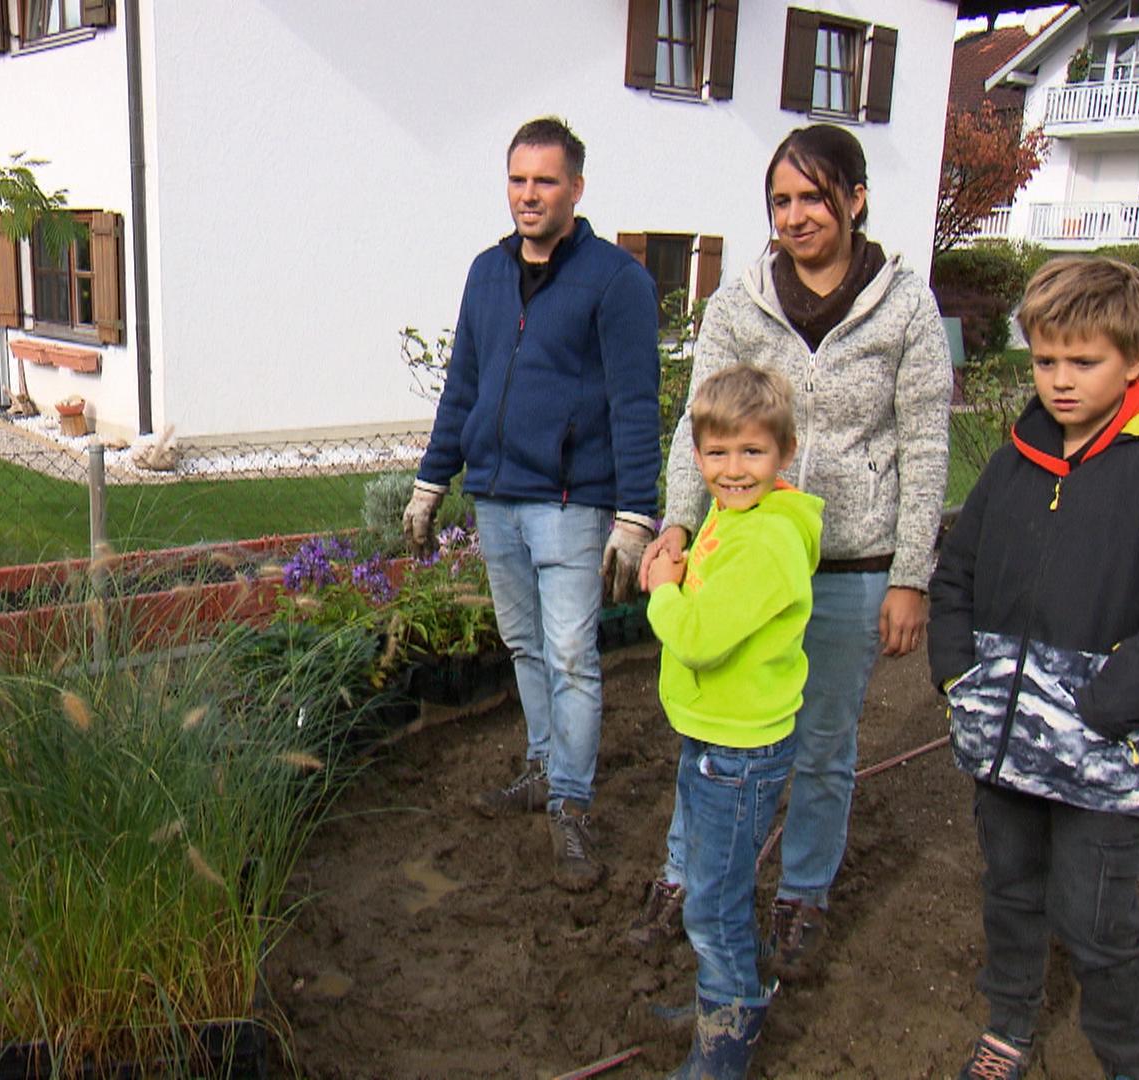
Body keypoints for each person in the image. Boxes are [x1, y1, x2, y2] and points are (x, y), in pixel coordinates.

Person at [628, 125, 952, 960]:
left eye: (814, 197)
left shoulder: (906, 307)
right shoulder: (739, 305)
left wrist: (911, 573)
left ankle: (802, 891)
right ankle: (682, 871)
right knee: (711, 727)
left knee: (824, 742)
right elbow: (692, 430)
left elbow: (924, 443)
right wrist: (677, 526)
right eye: (781, 200)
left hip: (851, 563)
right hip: (739, 554)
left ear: (855, 199)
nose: (797, 216)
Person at [928, 256, 1139, 1080]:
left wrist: (1105, 706)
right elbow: (956, 571)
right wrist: (960, 676)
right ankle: (1008, 1024)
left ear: (1135, 358)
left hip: (1101, 748)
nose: (1060, 382)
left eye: (1084, 361)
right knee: (1010, 889)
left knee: (1096, 916)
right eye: (1044, 361)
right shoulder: (1015, 460)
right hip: (1000, 735)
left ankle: (1131, 1058)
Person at [403, 116, 661, 891]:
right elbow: (464, 387)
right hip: (499, 499)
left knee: (575, 658)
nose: (529, 195)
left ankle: (572, 809)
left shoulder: (617, 281)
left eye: (545, 181)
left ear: (576, 188)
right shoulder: (486, 271)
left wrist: (635, 514)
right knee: (525, 648)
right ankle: (543, 770)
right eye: (518, 180)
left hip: (572, 503)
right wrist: (430, 481)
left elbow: (635, 402)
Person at [643, 363, 822, 1079]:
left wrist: (661, 588)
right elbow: (714, 585)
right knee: (710, 888)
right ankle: (720, 999)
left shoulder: (768, 539)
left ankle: (730, 1030)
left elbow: (696, 637)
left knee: (714, 906)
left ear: (786, 452)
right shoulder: (737, 514)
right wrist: (685, 564)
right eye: (718, 454)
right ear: (697, 456)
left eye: (753, 452)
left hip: (740, 751)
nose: (734, 469)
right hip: (715, 738)